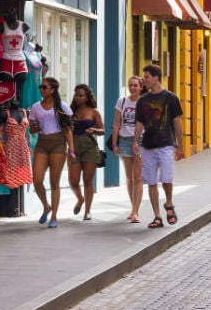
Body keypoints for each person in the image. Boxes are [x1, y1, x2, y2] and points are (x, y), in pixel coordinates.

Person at [133, 64, 184, 229]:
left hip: (166, 144)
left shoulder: (171, 98)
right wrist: (135, 141)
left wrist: (180, 146)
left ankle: (169, 203)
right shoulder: (143, 100)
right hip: (148, 145)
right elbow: (140, 122)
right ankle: (157, 216)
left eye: (146, 77)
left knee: (167, 179)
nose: (144, 80)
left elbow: (177, 122)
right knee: (152, 182)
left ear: (156, 77)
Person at [29, 77, 74, 228]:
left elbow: (68, 130)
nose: (41, 90)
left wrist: (72, 150)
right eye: (40, 87)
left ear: (53, 90)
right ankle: (46, 205)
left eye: (44, 87)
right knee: (37, 180)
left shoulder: (62, 107)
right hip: (42, 142)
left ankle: (54, 215)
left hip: (58, 144)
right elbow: (32, 130)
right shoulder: (35, 107)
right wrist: (35, 127)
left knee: (55, 181)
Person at [111, 75, 145, 222]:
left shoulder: (144, 102)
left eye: (135, 85)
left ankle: (135, 211)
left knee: (138, 177)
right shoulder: (122, 101)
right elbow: (117, 123)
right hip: (124, 140)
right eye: (130, 85)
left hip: (141, 140)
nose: (132, 88)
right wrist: (114, 144)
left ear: (141, 87)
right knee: (129, 178)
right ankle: (133, 208)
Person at [68, 84, 104, 221]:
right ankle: (80, 199)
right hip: (74, 147)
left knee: (88, 180)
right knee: (73, 181)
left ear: (87, 97)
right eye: (76, 95)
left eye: (81, 95)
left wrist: (94, 130)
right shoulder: (70, 112)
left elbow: (102, 130)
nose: (77, 97)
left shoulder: (94, 112)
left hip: (89, 147)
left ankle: (87, 211)